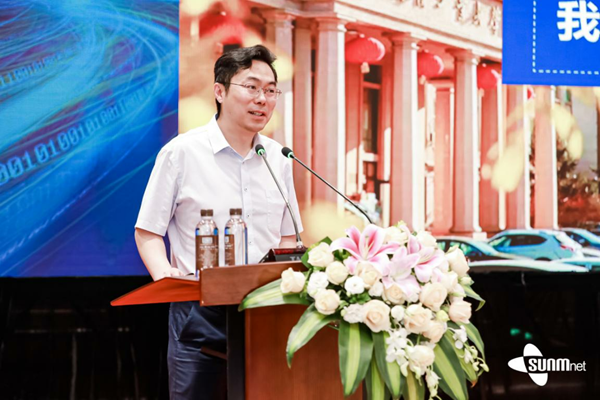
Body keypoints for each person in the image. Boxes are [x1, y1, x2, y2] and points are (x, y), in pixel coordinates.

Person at [134, 44, 303, 400]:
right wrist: (166, 277)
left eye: (271, 90)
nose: (263, 99)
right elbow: (147, 231)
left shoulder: (278, 158)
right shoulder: (181, 152)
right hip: (200, 313)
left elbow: (288, 240)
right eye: (252, 87)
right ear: (220, 91)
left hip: (267, 313)